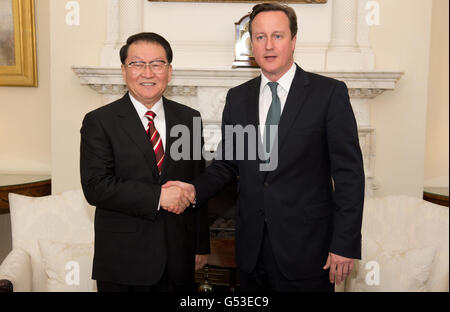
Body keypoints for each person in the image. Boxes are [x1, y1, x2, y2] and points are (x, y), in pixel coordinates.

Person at [164, 3, 365, 292]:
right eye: (259, 37)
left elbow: (349, 175)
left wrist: (344, 243)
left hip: (308, 252)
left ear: (294, 40)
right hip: (251, 252)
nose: (268, 45)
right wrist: (193, 190)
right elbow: (226, 164)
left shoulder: (329, 94)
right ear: (251, 43)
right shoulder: (238, 98)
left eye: (278, 36)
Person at [80, 32, 209, 292]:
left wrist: (200, 245)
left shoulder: (188, 119)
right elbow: (96, 186)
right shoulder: (100, 121)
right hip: (123, 262)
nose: (147, 73)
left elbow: (197, 183)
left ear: (169, 71)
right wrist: (158, 197)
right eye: (137, 64)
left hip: (178, 259)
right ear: (124, 71)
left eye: (157, 64)